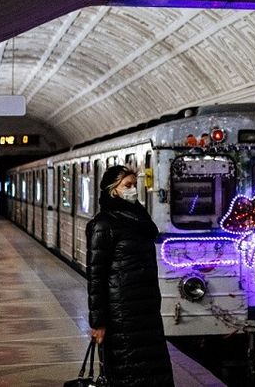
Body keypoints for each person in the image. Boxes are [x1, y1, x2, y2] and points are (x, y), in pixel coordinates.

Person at [86, 165, 174, 386]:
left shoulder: (139, 219)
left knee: (152, 370)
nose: (133, 189)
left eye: (134, 185)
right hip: (121, 314)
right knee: (127, 371)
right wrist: (98, 322)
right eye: (127, 185)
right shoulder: (103, 224)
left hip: (145, 310)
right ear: (112, 189)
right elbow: (96, 276)